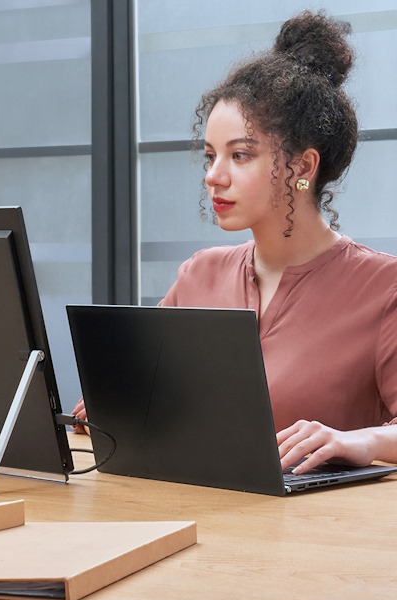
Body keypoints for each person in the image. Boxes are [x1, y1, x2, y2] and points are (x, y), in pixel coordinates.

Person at [72, 10, 397, 475]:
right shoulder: (198, 276)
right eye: (210, 156)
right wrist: (111, 404)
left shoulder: (384, 288)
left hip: (319, 538)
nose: (213, 176)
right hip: (196, 522)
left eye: (240, 155)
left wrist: (358, 440)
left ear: (303, 167)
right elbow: (144, 394)